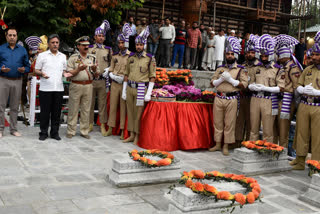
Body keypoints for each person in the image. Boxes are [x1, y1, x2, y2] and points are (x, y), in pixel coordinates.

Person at [209, 36, 248, 155]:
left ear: (235, 55)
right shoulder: (220, 68)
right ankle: (217, 144)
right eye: (228, 54)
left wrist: (232, 80)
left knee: (229, 123)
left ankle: (226, 145)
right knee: (218, 122)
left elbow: (245, 85)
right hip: (219, 97)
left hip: (232, 98)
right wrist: (220, 80)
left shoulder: (241, 69)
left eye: (232, 54)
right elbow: (212, 83)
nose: (229, 56)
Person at [248, 34, 285, 143]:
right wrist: (252, 86)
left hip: (269, 100)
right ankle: (252, 146)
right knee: (253, 127)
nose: (263, 58)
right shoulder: (256, 67)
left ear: (270, 55)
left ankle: (267, 149)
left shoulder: (277, 69)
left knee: (268, 129)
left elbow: (281, 88)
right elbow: (250, 83)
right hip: (255, 98)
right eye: (262, 56)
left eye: (266, 56)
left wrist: (266, 88)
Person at [122, 27, 156, 145]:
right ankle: (131, 134)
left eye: (141, 45)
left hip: (141, 88)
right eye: (137, 45)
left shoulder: (149, 58)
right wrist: (124, 91)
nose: (138, 47)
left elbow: (152, 76)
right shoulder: (131, 57)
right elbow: (126, 74)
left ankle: (137, 135)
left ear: (144, 45)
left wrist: (148, 93)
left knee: (138, 114)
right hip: (130, 87)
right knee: (130, 112)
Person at [291, 31, 320, 169]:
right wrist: (301, 89)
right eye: (313, 54)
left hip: (318, 107)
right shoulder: (308, 69)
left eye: (317, 55)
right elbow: (298, 85)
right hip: (304, 104)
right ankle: (300, 160)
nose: (314, 57)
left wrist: (317, 92)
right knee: (301, 132)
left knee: (317, 137)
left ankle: (316, 164)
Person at [34, 34, 70, 141]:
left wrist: (66, 74)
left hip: (58, 88)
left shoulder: (63, 56)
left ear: (59, 44)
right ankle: (43, 132)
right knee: (45, 112)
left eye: (57, 42)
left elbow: (64, 70)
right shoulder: (42, 56)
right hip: (45, 88)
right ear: (49, 44)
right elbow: (36, 70)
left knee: (56, 112)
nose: (55, 44)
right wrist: (42, 74)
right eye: (53, 42)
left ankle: (55, 132)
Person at [66, 36, 100, 139]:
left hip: (89, 85)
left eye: (87, 45)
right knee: (73, 108)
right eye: (83, 45)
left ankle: (84, 131)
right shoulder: (73, 58)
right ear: (78, 46)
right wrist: (78, 70)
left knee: (86, 109)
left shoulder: (92, 58)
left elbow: (97, 74)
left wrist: (94, 70)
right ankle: (71, 131)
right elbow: (68, 73)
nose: (86, 47)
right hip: (76, 85)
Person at [273, 35, 303, 148]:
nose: (277, 57)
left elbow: (296, 87)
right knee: (276, 128)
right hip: (278, 99)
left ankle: (283, 153)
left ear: (283, 56)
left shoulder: (293, 67)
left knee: (283, 130)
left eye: (278, 54)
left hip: (287, 101)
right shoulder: (282, 66)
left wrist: (296, 105)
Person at [0, 27, 30, 138]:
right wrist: (1, 69)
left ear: (17, 36)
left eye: (14, 35)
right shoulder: (1, 49)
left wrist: (24, 70)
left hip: (17, 80)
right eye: (10, 35)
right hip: (3, 79)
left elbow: (27, 66)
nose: (12, 37)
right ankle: (0, 129)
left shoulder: (22, 50)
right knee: (1, 106)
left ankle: (13, 129)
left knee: (14, 106)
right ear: (6, 36)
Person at [105, 25, 132, 139]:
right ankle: (110, 128)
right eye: (119, 43)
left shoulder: (131, 56)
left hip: (125, 84)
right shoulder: (114, 55)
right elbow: (111, 68)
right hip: (115, 84)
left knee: (123, 108)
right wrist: (110, 74)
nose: (121, 45)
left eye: (123, 43)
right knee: (112, 106)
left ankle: (122, 130)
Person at [235, 34, 260, 146]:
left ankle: (248, 141)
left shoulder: (259, 66)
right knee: (239, 119)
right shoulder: (242, 65)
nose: (250, 55)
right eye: (248, 53)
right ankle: (237, 140)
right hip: (242, 96)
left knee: (251, 121)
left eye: (252, 53)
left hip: (253, 97)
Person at [88, 20, 112, 136]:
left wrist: (109, 70)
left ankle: (102, 124)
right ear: (95, 37)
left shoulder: (108, 49)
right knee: (90, 103)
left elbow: (112, 64)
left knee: (102, 104)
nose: (101, 38)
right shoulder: (89, 49)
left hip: (103, 80)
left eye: (103, 36)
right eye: (99, 36)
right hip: (91, 80)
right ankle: (90, 124)